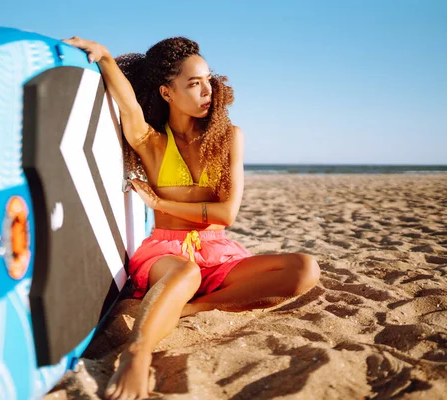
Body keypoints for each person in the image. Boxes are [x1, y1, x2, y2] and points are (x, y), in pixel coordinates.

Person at [63, 36, 321, 400]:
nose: (207, 91)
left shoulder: (229, 137)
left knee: (305, 269)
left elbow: (227, 213)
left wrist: (159, 202)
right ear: (167, 93)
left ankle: (190, 307)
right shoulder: (150, 142)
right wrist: (104, 56)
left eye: (208, 81)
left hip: (219, 252)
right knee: (186, 271)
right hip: (165, 254)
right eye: (194, 83)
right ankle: (137, 353)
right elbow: (126, 102)